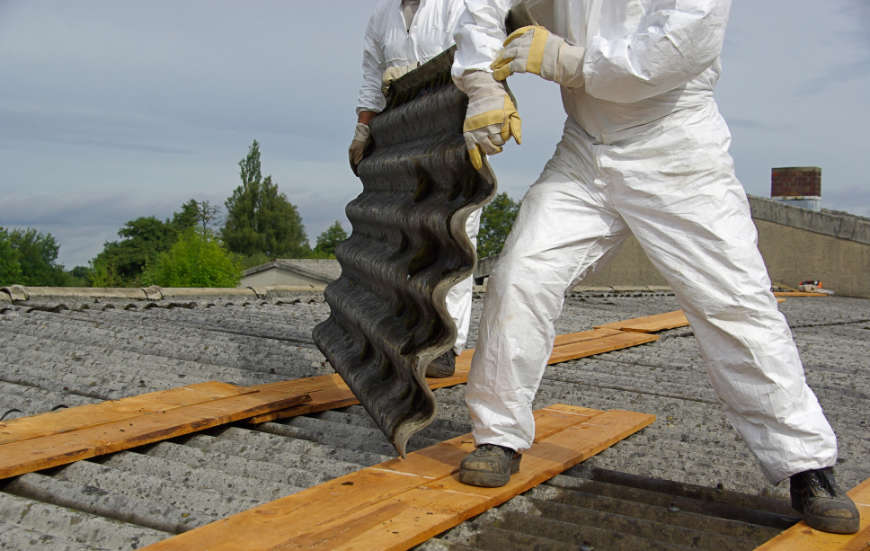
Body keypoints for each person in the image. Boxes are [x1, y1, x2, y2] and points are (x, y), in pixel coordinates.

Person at [450, 0, 860, 534]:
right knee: (520, 276)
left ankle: (806, 465)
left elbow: (668, 54)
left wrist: (565, 62)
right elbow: (482, 7)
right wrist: (483, 83)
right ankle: (498, 435)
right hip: (583, 150)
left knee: (734, 303)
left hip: (675, 148)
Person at [349, 0, 478, 378]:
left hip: (455, 126)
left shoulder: (458, 6)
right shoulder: (383, 17)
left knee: (455, 232)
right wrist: (363, 128)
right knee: (405, 231)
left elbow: (482, 57)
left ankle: (446, 343)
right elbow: (372, 76)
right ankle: (404, 331)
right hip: (402, 131)